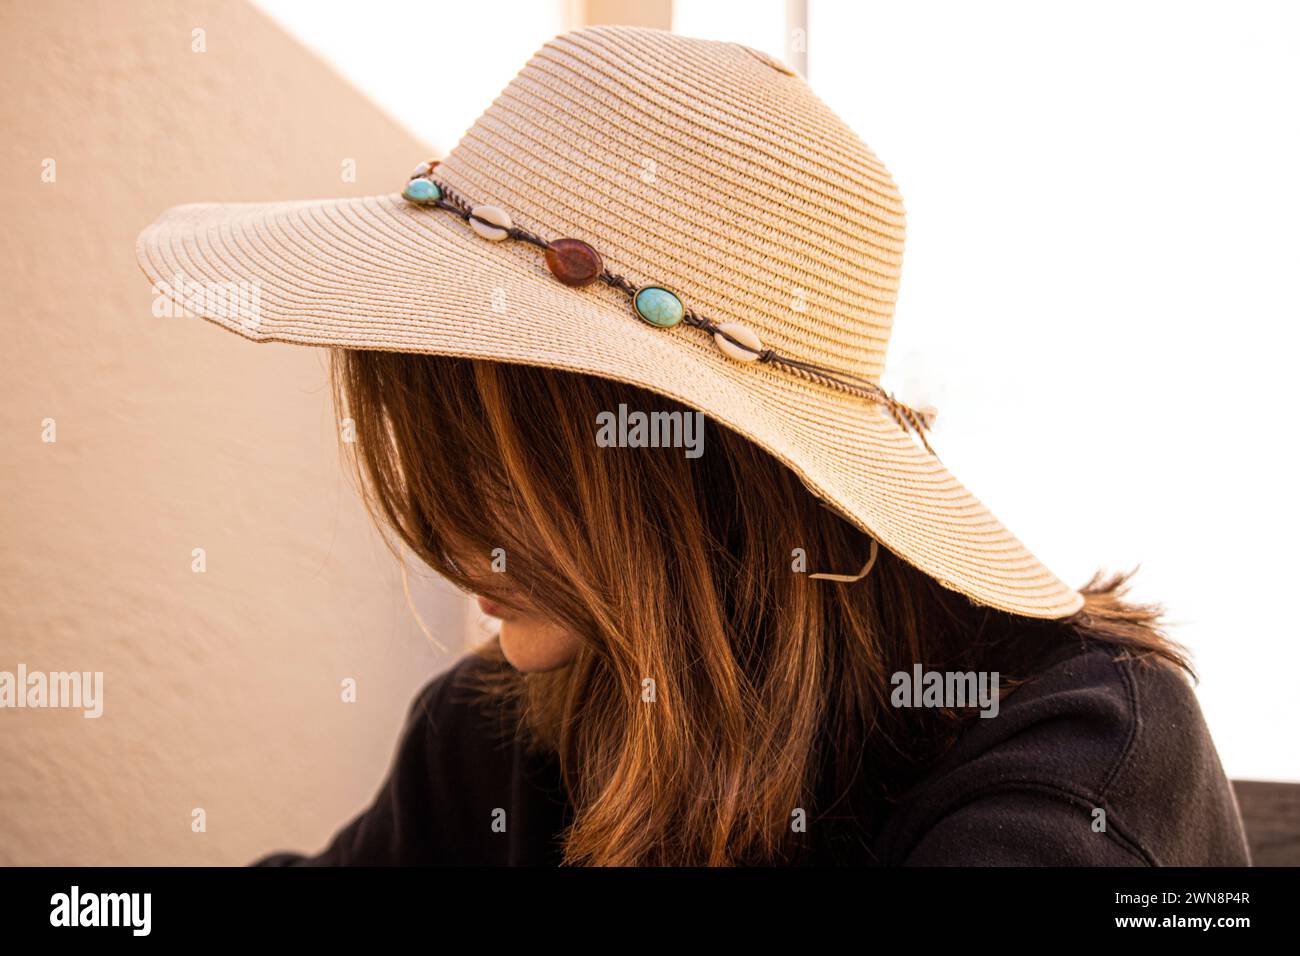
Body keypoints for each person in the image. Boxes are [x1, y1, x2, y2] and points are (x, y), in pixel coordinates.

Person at [135, 25, 1249, 866]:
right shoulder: (510, 728)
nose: (449, 534)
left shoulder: (1074, 772)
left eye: (485, 461)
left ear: (683, 462)